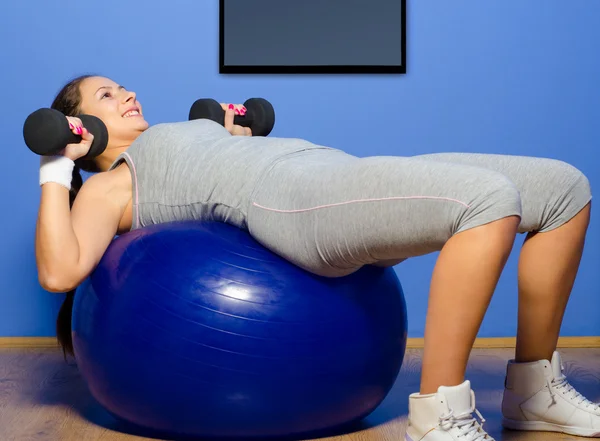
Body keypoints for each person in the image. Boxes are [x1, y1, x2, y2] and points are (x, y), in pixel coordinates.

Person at [35, 74, 596, 441]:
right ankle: (439, 417)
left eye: (122, 86)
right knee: (489, 200)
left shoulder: (178, 133)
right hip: (298, 203)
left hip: (331, 167)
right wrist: (57, 168)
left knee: (562, 188)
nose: (127, 94)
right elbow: (60, 271)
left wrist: (229, 136)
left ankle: (533, 390)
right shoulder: (112, 185)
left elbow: (215, 163)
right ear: (80, 126)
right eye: (105, 96)